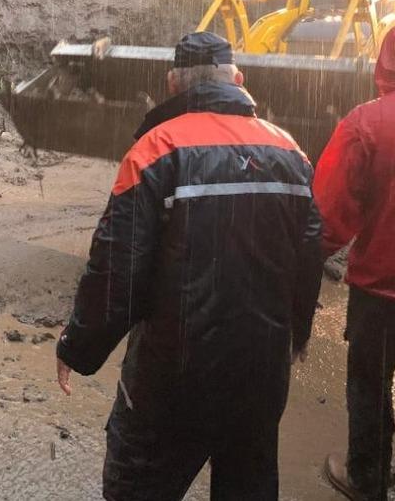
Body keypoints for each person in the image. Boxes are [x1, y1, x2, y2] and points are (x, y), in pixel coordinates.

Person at [56, 30, 323, 501]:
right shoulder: (291, 152)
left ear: (173, 84)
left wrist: (78, 348)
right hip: (260, 375)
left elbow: (119, 269)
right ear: (238, 80)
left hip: (172, 377)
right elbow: (308, 260)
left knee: (138, 485)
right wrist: (295, 336)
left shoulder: (156, 150)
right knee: (248, 484)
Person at [315, 22, 395, 501]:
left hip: (381, 295)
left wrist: (307, 262)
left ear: (385, 63)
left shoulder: (365, 122)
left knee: (368, 388)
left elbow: (331, 212)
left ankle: (366, 479)